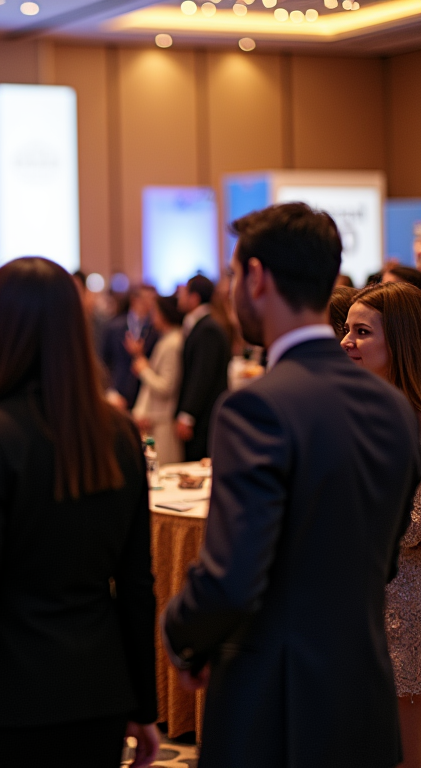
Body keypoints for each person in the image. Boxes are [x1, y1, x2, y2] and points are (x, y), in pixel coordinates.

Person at [163, 203, 421, 768]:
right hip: (365, 690)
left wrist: (183, 634)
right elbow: (384, 554)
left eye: (234, 275)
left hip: (276, 702)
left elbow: (232, 576)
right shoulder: (395, 409)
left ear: (255, 278)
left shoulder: (256, 407)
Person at [0, 258, 158, 768]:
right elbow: (137, 587)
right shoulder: (119, 432)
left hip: (6, 702)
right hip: (99, 695)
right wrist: (144, 705)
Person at [341, 280, 421, 768]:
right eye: (345, 330)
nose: (346, 342)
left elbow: (412, 526)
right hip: (355, 610)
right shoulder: (357, 412)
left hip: (406, 611)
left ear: (402, 342)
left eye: (362, 332)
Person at [174, 274, 230, 461]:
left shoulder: (208, 329)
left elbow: (201, 375)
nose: (179, 297)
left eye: (183, 293)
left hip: (204, 417)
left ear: (194, 297)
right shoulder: (202, 325)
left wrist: (187, 415)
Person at [127, 293, 185, 465]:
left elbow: (166, 386)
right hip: (156, 418)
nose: (152, 317)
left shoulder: (173, 343)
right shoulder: (166, 340)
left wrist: (144, 370)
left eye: (155, 312)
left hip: (163, 421)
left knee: (164, 472)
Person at [100, 284, 159, 410]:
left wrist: (139, 354)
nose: (149, 304)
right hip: (117, 391)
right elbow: (103, 361)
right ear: (134, 299)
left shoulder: (156, 329)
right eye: (146, 299)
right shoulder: (114, 326)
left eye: (153, 300)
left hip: (145, 394)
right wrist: (109, 390)